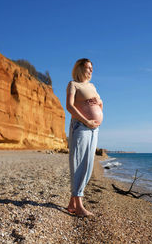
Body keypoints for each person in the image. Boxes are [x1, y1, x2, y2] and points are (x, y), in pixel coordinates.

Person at [66, 58, 103, 216]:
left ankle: (72, 203)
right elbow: (69, 106)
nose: (91, 71)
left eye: (92, 68)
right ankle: (79, 205)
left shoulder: (92, 86)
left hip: (94, 129)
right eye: (88, 68)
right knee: (78, 163)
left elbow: (99, 104)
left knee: (88, 165)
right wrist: (86, 120)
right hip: (81, 126)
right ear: (80, 68)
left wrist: (97, 104)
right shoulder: (73, 84)